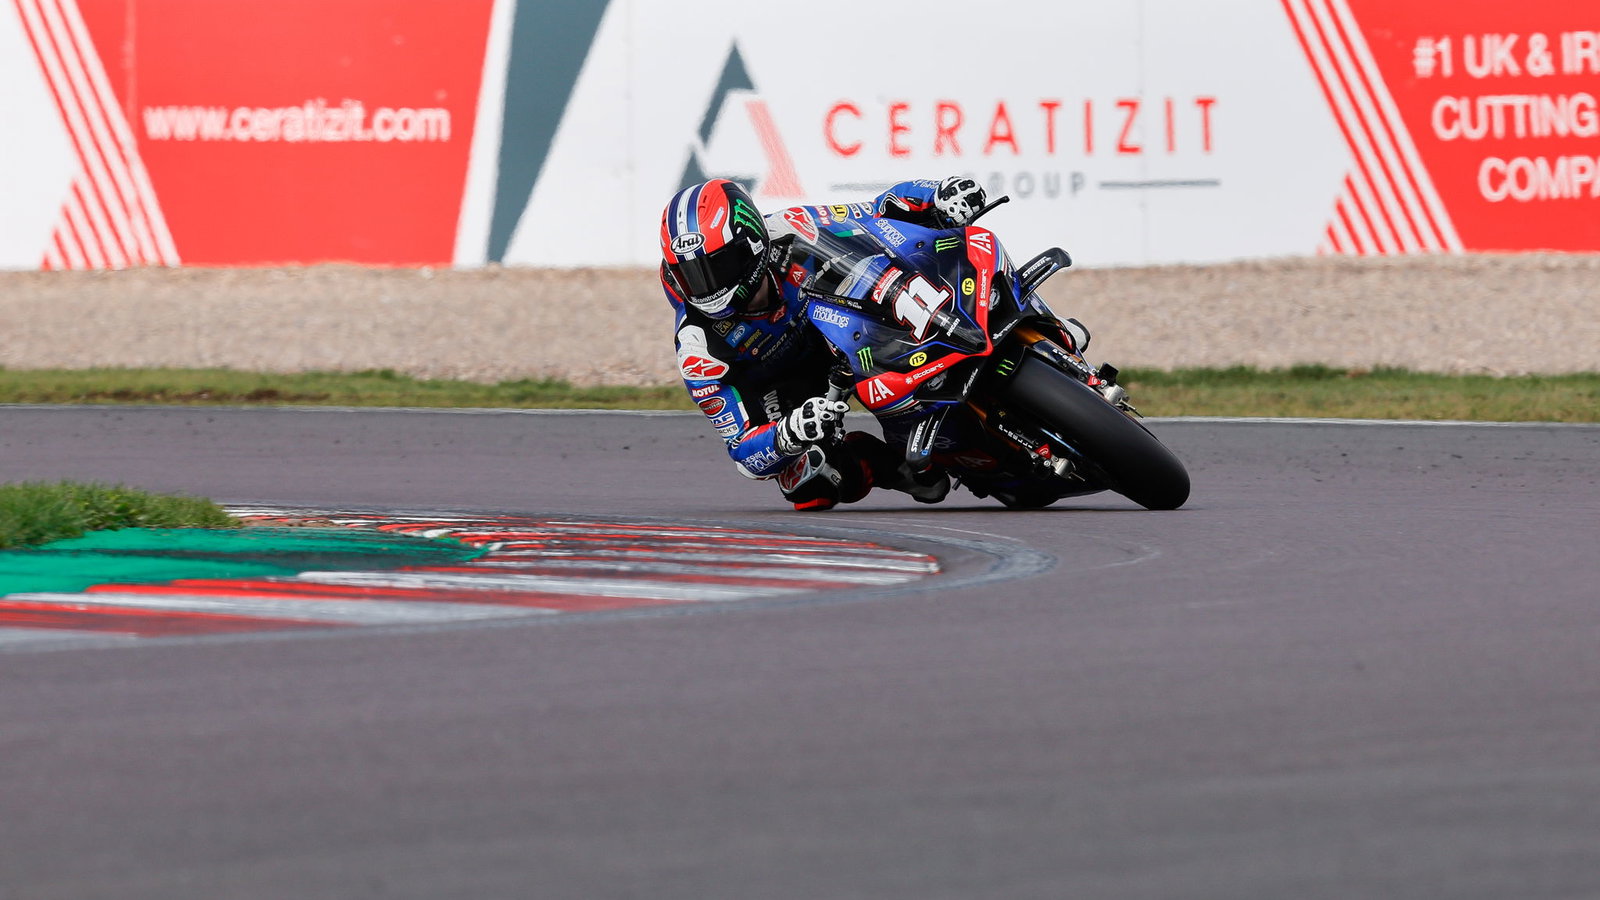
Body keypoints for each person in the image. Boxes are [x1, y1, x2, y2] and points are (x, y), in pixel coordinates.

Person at [659, 175, 989, 510]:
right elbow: (743, 453)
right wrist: (787, 434)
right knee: (807, 484)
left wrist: (935, 195)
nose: (707, 286)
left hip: (848, 333)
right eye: (691, 274)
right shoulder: (698, 350)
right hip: (784, 387)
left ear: (752, 244)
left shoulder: (793, 227)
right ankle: (895, 468)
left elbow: (877, 211)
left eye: (717, 266)